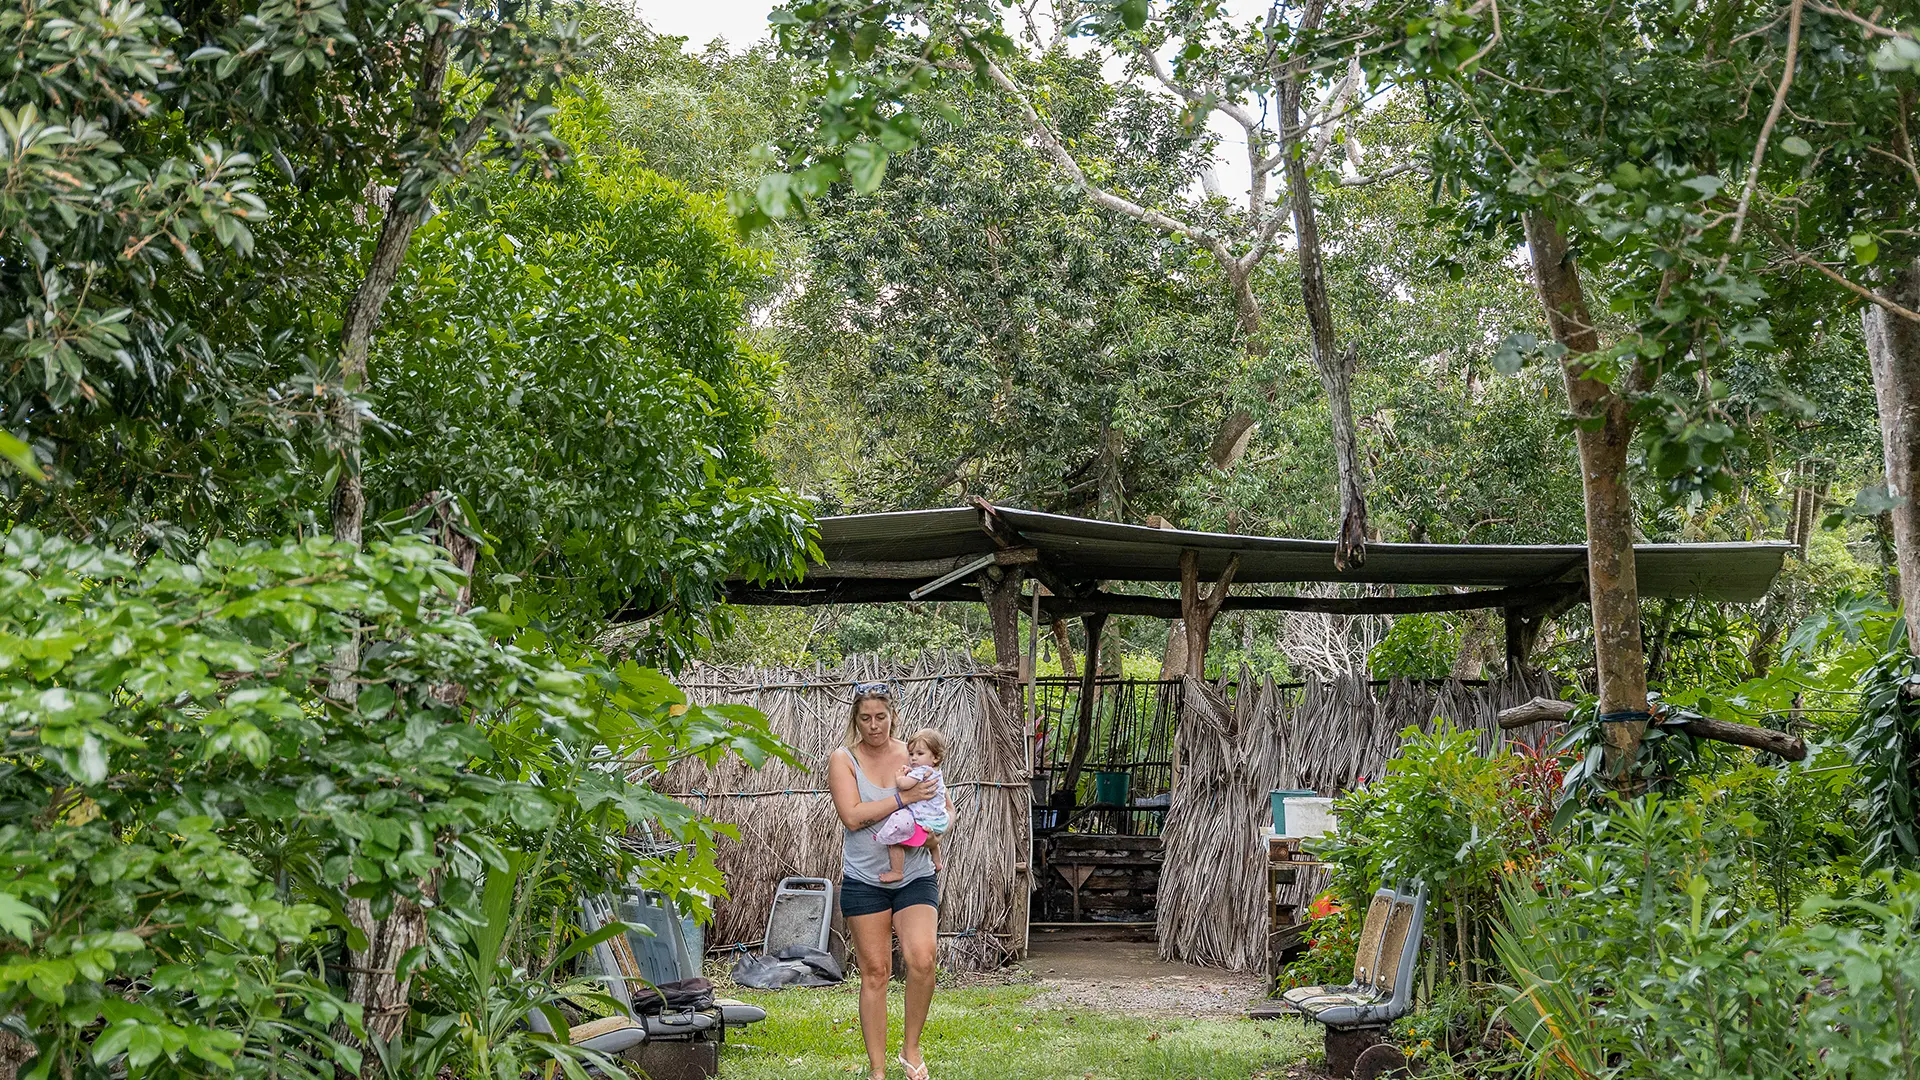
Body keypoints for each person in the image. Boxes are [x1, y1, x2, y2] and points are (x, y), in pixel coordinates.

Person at [828, 683, 950, 1080]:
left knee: (922, 957)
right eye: (865, 718)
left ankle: (910, 1049)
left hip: (914, 873)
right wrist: (904, 801)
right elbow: (852, 815)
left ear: (892, 716)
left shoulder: (912, 754)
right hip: (865, 878)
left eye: (881, 717)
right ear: (855, 719)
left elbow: (948, 808)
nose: (874, 725)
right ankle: (877, 1069)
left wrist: (936, 830)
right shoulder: (843, 759)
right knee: (876, 971)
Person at [874, 728, 949, 882]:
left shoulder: (922, 771)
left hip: (923, 821)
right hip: (939, 821)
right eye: (911, 754)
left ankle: (897, 871)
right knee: (932, 842)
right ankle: (937, 862)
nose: (914, 758)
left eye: (919, 754)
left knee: (895, 840)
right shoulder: (936, 772)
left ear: (935, 757)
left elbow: (905, 785)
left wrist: (900, 777)